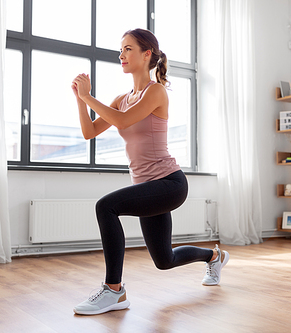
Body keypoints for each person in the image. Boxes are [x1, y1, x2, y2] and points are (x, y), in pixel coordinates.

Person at [71, 28, 229, 316]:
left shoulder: (155, 91)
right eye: (121, 49)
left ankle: (114, 290)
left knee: (106, 207)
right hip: (149, 187)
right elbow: (89, 131)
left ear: (147, 55)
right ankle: (214, 256)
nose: (121, 55)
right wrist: (81, 101)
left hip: (169, 183)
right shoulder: (122, 97)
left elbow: (122, 121)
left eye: (128, 49)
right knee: (164, 259)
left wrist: (89, 96)